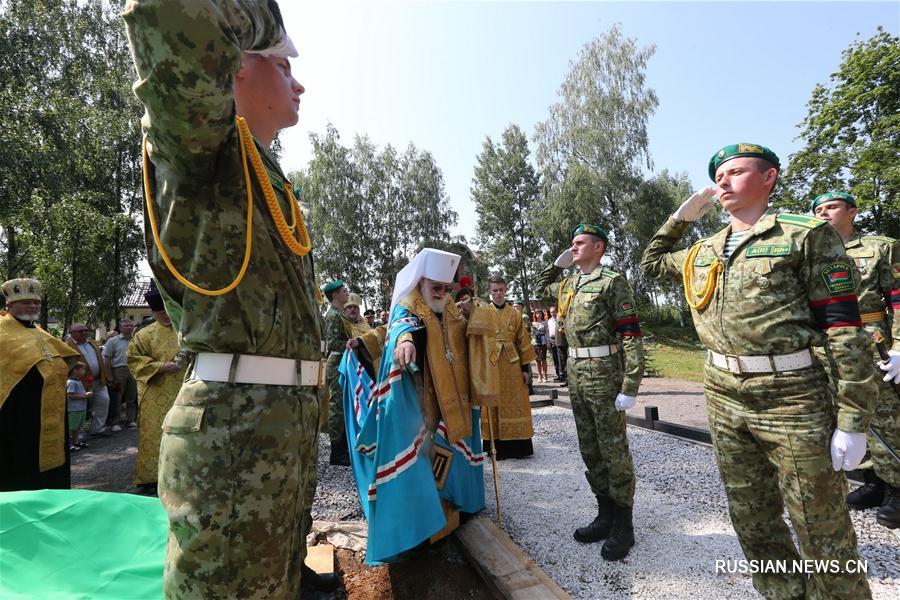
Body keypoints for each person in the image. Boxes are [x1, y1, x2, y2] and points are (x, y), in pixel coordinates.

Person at [124, 1, 335, 595]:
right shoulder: (201, 154)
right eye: (284, 65)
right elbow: (168, 12)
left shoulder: (264, 173)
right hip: (232, 433)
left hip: (276, 427)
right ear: (236, 66)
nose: (299, 83)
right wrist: (269, 25)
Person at [641, 144, 875, 598]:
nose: (722, 182)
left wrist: (853, 420)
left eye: (735, 172)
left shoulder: (804, 235)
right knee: (753, 517)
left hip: (793, 395)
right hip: (724, 394)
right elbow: (651, 265)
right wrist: (681, 217)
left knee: (819, 523)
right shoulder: (702, 251)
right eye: (718, 176)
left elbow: (844, 329)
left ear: (769, 178)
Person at [341, 248, 485, 564]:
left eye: (446, 288)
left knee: (450, 453)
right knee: (425, 459)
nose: (442, 292)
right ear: (421, 281)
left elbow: (459, 332)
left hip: (453, 393)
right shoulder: (409, 304)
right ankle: (424, 527)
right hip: (424, 397)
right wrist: (399, 342)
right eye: (437, 286)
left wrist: (473, 316)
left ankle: (450, 513)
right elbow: (397, 327)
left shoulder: (447, 305)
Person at [536, 224, 644, 561]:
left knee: (613, 449)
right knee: (590, 448)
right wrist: (557, 263)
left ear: (599, 247)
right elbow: (541, 288)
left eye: (580, 243)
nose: (574, 247)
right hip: (576, 373)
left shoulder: (612, 281)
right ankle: (605, 515)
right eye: (572, 244)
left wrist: (630, 385)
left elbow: (630, 334)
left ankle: (624, 525)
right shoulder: (570, 283)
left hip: (604, 372)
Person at [812, 190, 900, 528]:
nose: (823, 214)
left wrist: (899, 347)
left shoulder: (880, 246)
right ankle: (875, 482)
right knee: (848, 412)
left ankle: (898, 486)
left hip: (872, 340)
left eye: (831, 207)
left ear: (852, 211)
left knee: (886, 413)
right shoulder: (815, 252)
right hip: (830, 344)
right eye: (818, 209)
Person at [1, 278, 79, 491]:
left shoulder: (40, 331)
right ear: (10, 305)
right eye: (26, 302)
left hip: (51, 408)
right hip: (17, 414)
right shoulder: (2, 331)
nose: (33, 306)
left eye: (36, 302)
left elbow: (65, 357)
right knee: (23, 465)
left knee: (52, 467)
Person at [126, 285, 186, 496]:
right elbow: (133, 361)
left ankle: (182, 475)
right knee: (154, 434)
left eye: (169, 312)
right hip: (155, 392)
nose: (166, 317)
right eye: (160, 313)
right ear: (153, 313)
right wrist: (161, 367)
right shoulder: (144, 335)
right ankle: (150, 478)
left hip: (184, 390)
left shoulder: (186, 332)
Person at [480, 275, 537, 459]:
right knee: (493, 401)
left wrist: (525, 369)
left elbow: (524, 343)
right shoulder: (483, 312)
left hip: (512, 365)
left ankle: (519, 447)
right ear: (489, 292)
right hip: (492, 362)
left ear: (505, 290)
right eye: (494, 290)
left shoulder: (516, 314)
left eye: (501, 290)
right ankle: (495, 446)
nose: (498, 293)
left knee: (517, 403)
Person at [323, 279, 352, 466]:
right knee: (336, 407)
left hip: (342, 362)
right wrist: (350, 344)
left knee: (342, 406)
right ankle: (336, 452)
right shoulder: (333, 315)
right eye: (343, 290)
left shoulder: (340, 314)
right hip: (336, 364)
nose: (346, 292)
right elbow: (331, 342)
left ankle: (343, 448)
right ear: (335, 295)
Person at [67, 322, 112, 437]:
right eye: (80, 331)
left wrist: (106, 376)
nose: (84, 333)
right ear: (71, 333)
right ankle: (78, 434)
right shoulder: (66, 346)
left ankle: (97, 429)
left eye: (85, 330)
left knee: (104, 402)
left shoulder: (92, 343)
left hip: (98, 380)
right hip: (80, 383)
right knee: (80, 408)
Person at [103, 319, 138, 431]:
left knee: (132, 397)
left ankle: (131, 420)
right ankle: (115, 422)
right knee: (117, 398)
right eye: (126, 326)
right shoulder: (113, 341)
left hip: (134, 370)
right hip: (118, 370)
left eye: (131, 325)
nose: (129, 327)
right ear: (121, 328)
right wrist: (109, 376)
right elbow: (107, 360)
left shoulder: (137, 340)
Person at [66, 362, 92, 452]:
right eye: (82, 369)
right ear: (75, 370)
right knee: (71, 427)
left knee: (77, 427)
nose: (84, 371)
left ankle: (75, 441)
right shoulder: (71, 382)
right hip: (74, 409)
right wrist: (84, 395)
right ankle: (68, 443)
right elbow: (70, 395)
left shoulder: (79, 381)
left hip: (81, 408)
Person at [531, 309, 549, 383]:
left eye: (540, 313)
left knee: (543, 359)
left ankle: (545, 375)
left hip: (543, 342)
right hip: (535, 343)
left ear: (542, 314)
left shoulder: (545, 322)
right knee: (537, 360)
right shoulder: (533, 323)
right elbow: (531, 334)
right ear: (535, 315)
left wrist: (548, 343)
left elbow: (547, 333)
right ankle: (539, 375)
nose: (538, 315)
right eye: (537, 313)